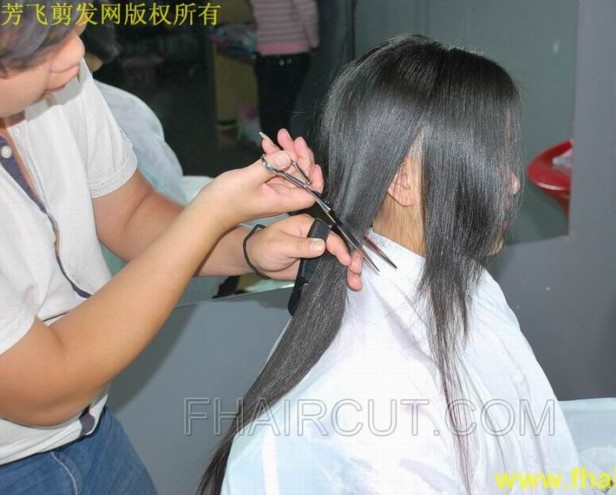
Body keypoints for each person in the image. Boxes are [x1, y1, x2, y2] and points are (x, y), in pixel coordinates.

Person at [0, 2, 361, 493]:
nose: (75, 54)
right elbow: (49, 385)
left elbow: (131, 214)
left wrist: (250, 247)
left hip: (92, 431)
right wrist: (211, 212)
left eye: (71, 24)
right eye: (42, 47)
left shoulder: (63, 79)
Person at [199, 34, 583, 494]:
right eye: (489, 158)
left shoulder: (460, 278)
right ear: (403, 181)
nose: (513, 183)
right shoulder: (379, 403)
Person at [80, 17, 228, 304]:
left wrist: (251, 247)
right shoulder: (119, 111)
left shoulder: (106, 108)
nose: (73, 51)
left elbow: (136, 210)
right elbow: (163, 194)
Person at [251, 0, 319, 139]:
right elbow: (308, 10)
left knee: (271, 115)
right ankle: (282, 151)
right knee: (280, 115)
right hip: (292, 51)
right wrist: (314, 42)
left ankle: (278, 151)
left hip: (267, 53)